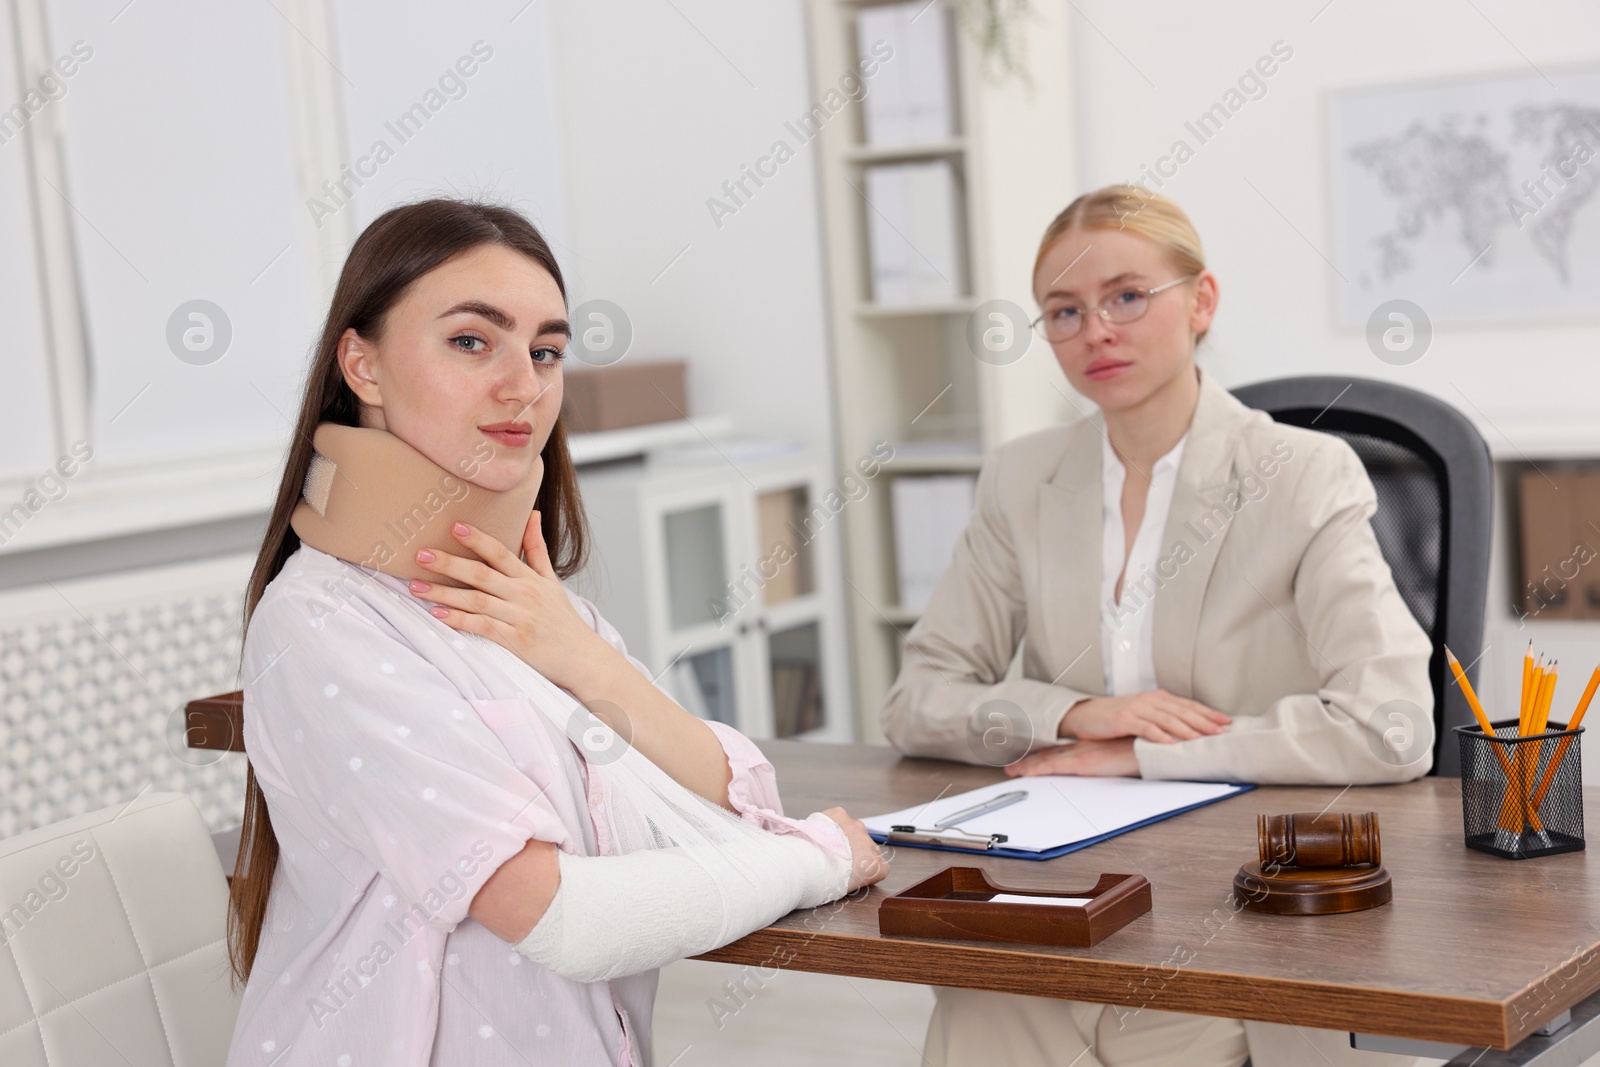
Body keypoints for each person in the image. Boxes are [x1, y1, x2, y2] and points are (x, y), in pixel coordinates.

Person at [224, 198, 887, 1066]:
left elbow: (733, 802)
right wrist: (820, 860)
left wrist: (583, 661)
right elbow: (565, 918)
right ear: (363, 363)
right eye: (471, 341)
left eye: (545, 351)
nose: (523, 385)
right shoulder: (319, 625)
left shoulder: (536, 606)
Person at [880, 185, 1437, 1067]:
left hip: (1245, 908)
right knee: (980, 1013)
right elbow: (919, 698)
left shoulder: (1303, 473)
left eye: (1127, 296)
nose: (1096, 329)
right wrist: (1071, 715)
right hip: (1063, 897)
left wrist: (1143, 753)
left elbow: (1393, 725)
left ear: (1201, 301)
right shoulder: (1021, 479)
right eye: (1065, 310)